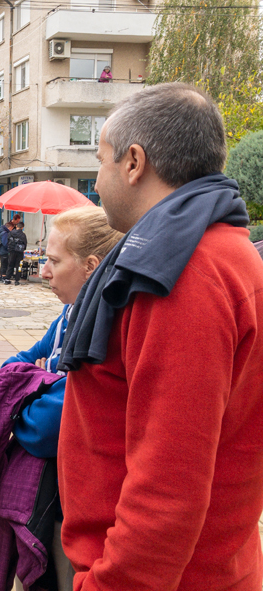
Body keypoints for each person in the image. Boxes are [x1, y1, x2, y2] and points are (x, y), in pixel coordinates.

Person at [57, 83, 263, 591]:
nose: (96, 185)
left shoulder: (180, 275)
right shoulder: (223, 250)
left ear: (133, 162)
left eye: (100, 161)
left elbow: (168, 487)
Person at [2, 206, 122, 590]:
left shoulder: (106, 324)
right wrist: (41, 379)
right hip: (58, 489)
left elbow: (46, 425)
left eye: (54, 260)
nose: (43, 271)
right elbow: (10, 368)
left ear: (90, 265)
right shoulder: (70, 313)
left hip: (75, 503)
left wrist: (25, 393)